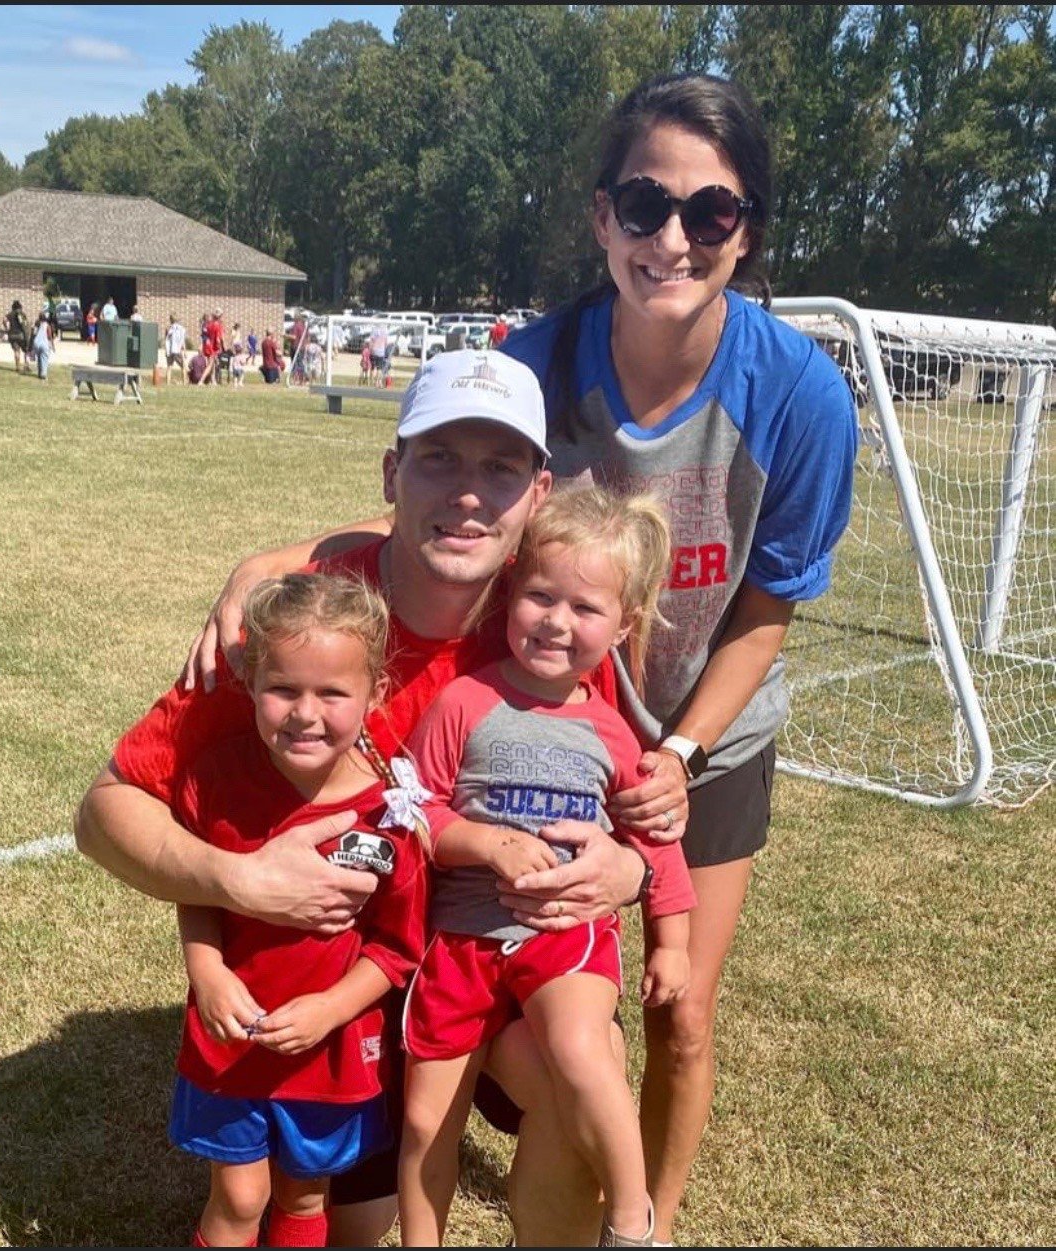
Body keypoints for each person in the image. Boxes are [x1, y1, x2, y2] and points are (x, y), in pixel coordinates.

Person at [174, 72, 861, 1245]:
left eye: (712, 213)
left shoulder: (799, 394)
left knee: (682, 1007)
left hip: (705, 728)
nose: (673, 238)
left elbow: (767, 605)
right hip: (531, 723)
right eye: (644, 205)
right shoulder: (533, 361)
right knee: (527, 1011)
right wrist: (264, 562)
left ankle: (644, 1223)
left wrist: (679, 757)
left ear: (750, 234)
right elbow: (443, 507)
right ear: (600, 218)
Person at [76, 350, 647, 1246]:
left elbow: (622, 799)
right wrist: (236, 878)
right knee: (344, 1222)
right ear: (393, 474)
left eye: (498, 467)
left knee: (588, 1068)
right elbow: (105, 812)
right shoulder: (302, 632)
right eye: (439, 459)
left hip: (482, 972)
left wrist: (631, 864)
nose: (468, 493)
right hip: (341, 993)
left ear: (538, 492)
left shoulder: (551, 628)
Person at [398, 484, 696, 1248]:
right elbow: (416, 808)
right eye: (540, 595)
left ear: (623, 624)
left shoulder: (612, 730)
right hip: (459, 941)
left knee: (580, 1049)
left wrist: (672, 941)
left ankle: (633, 1223)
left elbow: (654, 841)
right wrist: (483, 842)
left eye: (585, 609)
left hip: (564, 936)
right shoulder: (464, 700)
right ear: (510, 593)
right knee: (428, 1123)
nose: (557, 622)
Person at [168, 572, 429, 1248]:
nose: (305, 712)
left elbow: (397, 949)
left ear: (374, 693)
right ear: (251, 681)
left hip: (329, 1048)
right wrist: (209, 973)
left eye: (332, 692)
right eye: (284, 687)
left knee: (305, 1193)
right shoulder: (215, 780)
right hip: (231, 1039)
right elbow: (196, 892)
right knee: (238, 1191)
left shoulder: (390, 814)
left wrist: (329, 1009)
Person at [5, 300, 29, 373]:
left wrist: (7, 328)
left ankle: (17, 367)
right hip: (20, 335)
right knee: (26, 350)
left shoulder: (9, 314)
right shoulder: (21, 314)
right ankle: (26, 366)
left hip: (12, 335)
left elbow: (4, 320)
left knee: (16, 351)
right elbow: (24, 324)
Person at [30, 310, 54, 382]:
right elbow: (49, 336)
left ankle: (39, 373)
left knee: (39, 358)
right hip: (44, 343)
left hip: (36, 343)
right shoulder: (47, 325)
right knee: (44, 358)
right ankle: (43, 374)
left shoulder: (37, 324)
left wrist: (31, 346)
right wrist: (52, 345)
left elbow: (33, 334)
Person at [165, 314, 187, 385]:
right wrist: (185, 351)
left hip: (170, 350)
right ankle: (184, 382)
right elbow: (182, 340)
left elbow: (166, 340)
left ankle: (168, 383)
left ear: (170, 319)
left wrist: (166, 350)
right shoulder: (181, 329)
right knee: (183, 366)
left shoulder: (168, 328)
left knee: (169, 366)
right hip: (177, 350)